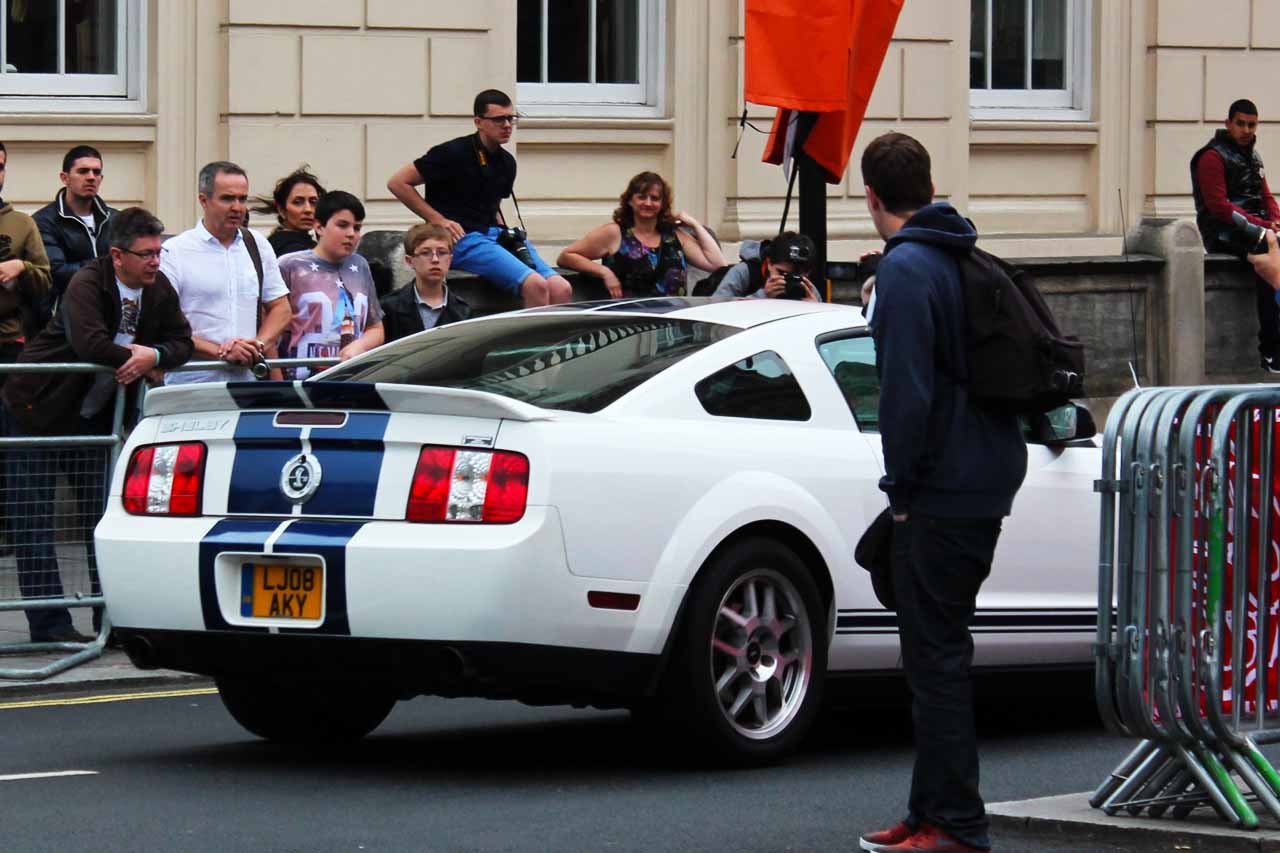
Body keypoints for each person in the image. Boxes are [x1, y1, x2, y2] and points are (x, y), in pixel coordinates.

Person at [857, 132, 1026, 853]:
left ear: (870, 198)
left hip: (943, 486)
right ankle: (929, 811)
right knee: (935, 650)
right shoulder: (962, 252)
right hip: (986, 472)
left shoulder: (905, 271)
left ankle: (955, 823)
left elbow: (906, 395)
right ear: (928, 185)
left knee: (936, 657)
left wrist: (900, 492)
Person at [1, 207, 193, 644]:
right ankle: (49, 626)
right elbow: (88, 341)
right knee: (33, 522)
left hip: (94, 417)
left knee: (104, 522)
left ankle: (111, 621)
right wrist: (138, 358)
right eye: (145, 254)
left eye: (159, 252)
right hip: (35, 409)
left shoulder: (157, 287)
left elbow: (181, 338)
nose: (155, 262)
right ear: (117, 255)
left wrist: (155, 356)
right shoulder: (87, 281)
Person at [386, 88, 572, 309]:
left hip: (493, 235)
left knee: (562, 287)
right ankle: (536, 343)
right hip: (463, 238)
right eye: (499, 119)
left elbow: (494, 205)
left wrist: (508, 236)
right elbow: (398, 183)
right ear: (478, 122)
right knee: (536, 285)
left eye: (511, 118)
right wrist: (438, 220)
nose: (507, 125)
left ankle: (559, 342)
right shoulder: (452, 152)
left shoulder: (506, 162)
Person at [160, 161, 291, 385]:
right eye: (227, 198)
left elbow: (281, 308)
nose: (237, 207)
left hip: (247, 384)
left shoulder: (257, 244)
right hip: (191, 384)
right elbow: (163, 325)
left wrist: (256, 346)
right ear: (204, 200)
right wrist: (221, 351)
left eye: (242, 199)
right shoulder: (175, 251)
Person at [1190, 98, 1280, 372]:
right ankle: (1272, 351)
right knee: (1268, 261)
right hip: (1222, 232)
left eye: (1251, 125)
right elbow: (1219, 207)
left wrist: (1275, 219)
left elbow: (1265, 195)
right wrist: (1262, 228)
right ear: (1228, 123)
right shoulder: (1211, 157)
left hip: (1254, 230)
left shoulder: (1253, 156)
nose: (1246, 130)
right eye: (1240, 123)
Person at [556, 171, 725, 298]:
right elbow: (566, 256)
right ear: (630, 200)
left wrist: (695, 225)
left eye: (655, 198)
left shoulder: (674, 235)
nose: (648, 203)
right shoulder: (614, 233)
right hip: (629, 325)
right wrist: (605, 272)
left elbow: (717, 264)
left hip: (674, 325)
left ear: (663, 203)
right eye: (642, 197)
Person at [277, 190, 383, 378]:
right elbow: (268, 329)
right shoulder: (289, 265)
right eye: (342, 225)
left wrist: (360, 345)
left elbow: (375, 328)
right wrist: (276, 383)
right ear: (319, 227)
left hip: (351, 378)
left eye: (357, 228)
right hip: (298, 379)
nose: (351, 234)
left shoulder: (360, 265)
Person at [33, 144, 116, 325]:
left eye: (96, 172)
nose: (91, 178)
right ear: (65, 178)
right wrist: (109, 265)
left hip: (110, 317)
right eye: (83, 171)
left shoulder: (115, 219)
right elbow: (57, 272)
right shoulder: (44, 221)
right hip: (66, 321)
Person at [380, 222, 472, 343]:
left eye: (442, 252)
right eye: (425, 253)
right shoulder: (389, 307)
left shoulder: (462, 311)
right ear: (410, 261)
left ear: (450, 259)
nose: (435, 259)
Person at [711, 231, 820, 301]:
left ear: (808, 273)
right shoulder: (744, 273)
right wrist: (763, 296)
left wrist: (816, 310)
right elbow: (716, 311)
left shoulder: (807, 288)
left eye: (796, 277)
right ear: (769, 263)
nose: (787, 281)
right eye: (781, 273)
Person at [252, 165, 325, 258]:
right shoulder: (291, 250)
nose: (308, 209)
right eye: (298, 202)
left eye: (313, 202)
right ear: (282, 210)